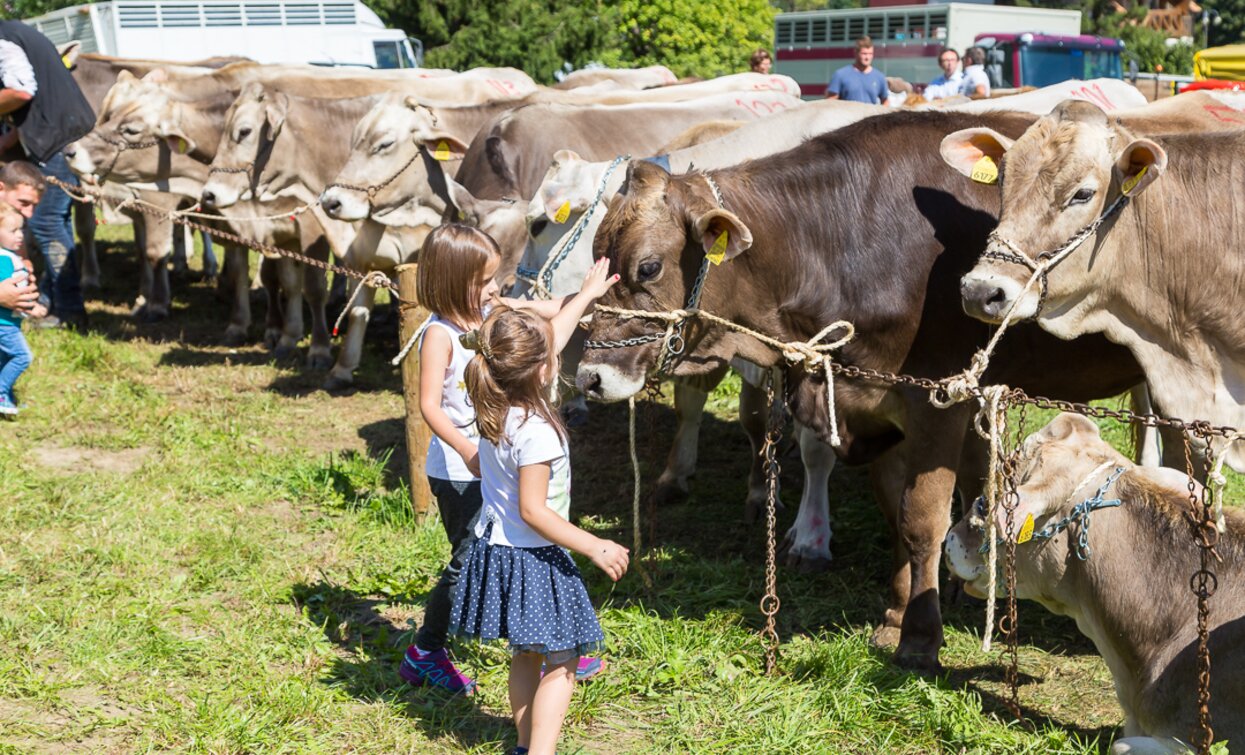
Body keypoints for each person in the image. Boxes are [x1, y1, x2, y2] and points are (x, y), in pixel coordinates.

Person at [399, 224, 605, 695]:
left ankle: (549, 639)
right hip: (461, 471)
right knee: (469, 560)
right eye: (486, 279)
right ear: (454, 281)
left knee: (527, 544)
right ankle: (427, 650)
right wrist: (466, 448)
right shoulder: (440, 335)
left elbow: (547, 317)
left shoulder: (491, 312)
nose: (496, 287)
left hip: (500, 460)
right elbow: (429, 404)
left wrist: (590, 297)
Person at [449, 258, 629, 755]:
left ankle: (526, 745)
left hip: (499, 551)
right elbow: (534, 509)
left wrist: (587, 295)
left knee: (525, 655)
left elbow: (551, 337)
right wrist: (594, 544)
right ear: (545, 368)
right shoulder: (538, 432)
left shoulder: (498, 402)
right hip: (535, 558)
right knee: (563, 659)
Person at [0, 21, 95, 331]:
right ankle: (56, 301)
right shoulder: (12, 32)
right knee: (58, 220)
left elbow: (21, 90)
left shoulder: (3, 40)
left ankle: (70, 311)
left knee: (46, 221)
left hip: (58, 138)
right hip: (65, 132)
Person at [0, 200, 44, 416]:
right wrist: (31, 308)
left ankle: (6, 398)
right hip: (5, 324)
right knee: (22, 356)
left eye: (21, 229)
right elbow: (9, 294)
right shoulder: (3, 259)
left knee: (4, 360)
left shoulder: (10, 257)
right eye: (13, 230)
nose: (20, 235)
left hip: (11, 321)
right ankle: (0, 392)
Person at [825, 36, 888, 105]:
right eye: (864, 54)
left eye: (870, 54)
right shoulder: (840, 75)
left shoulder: (879, 77)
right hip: (848, 115)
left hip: (870, 115)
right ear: (855, 53)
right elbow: (830, 102)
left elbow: (885, 102)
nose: (867, 57)